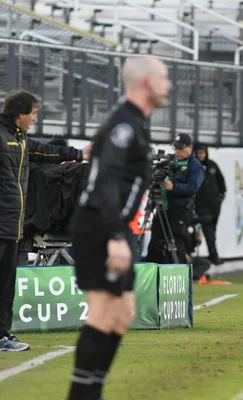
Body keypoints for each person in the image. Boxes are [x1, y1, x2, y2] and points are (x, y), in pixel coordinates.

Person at [66, 55, 171, 399]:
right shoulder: (124, 124)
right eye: (163, 77)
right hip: (99, 225)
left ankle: (92, 388)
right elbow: (106, 182)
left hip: (114, 225)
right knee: (103, 311)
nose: (168, 84)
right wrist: (115, 237)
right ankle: (83, 394)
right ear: (145, 83)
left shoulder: (137, 122)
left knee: (123, 313)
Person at [0, 90, 91, 352]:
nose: (35, 119)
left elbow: (44, 151)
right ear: (20, 114)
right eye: (34, 113)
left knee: (6, 288)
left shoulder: (21, 139)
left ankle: (3, 335)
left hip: (12, 226)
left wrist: (78, 154)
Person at [145, 133, 204, 265]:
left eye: (180, 148)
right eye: (175, 148)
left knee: (177, 244)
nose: (177, 151)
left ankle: (178, 277)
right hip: (163, 208)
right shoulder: (170, 162)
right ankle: (152, 277)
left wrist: (174, 187)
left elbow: (192, 188)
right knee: (155, 244)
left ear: (190, 148)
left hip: (180, 210)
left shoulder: (195, 166)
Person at [193, 142, 226, 265]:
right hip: (197, 206)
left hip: (212, 207)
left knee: (211, 234)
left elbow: (221, 181)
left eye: (203, 152)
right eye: (199, 153)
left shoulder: (212, 165)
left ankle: (214, 256)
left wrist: (221, 196)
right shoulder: (192, 167)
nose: (201, 155)